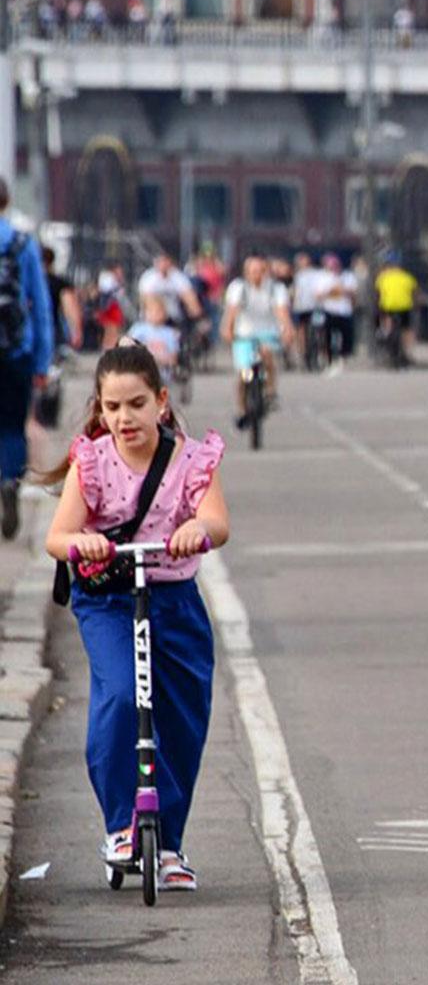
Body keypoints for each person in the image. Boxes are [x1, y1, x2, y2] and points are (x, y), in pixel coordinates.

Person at [39, 342, 229, 892]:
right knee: (123, 695)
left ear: (161, 403)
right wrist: (85, 544)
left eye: (137, 405)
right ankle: (122, 825)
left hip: (173, 598)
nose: (125, 418)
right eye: (113, 407)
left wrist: (199, 529)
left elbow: (217, 521)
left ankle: (167, 842)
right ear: (100, 409)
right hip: (110, 599)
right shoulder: (91, 462)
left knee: (182, 712)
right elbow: (56, 537)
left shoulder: (192, 459)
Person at [0, 182, 52, 541]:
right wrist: (42, 361)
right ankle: (10, 480)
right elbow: (40, 304)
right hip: (16, 350)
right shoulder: (22, 244)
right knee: (12, 425)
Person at [221, 255, 294, 428]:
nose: (257, 275)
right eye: (253, 271)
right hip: (244, 334)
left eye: (261, 271)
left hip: (268, 333)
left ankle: (270, 392)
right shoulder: (238, 288)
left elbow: (281, 312)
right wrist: (227, 330)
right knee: (242, 375)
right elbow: (231, 312)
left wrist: (287, 329)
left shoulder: (276, 289)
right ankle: (241, 410)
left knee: (267, 354)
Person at [373, 255, 419, 368]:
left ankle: (385, 333)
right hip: (405, 306)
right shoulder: (408, 277)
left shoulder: (382, 277)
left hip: (388, 307)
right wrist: (416, 305)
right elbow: (415, 293)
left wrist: (377, 304)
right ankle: (407, 351)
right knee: (406, 329)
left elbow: (377, 293)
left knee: (386, 324)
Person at [318, 254, 357, 371]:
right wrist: (332, 291)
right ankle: (328, 357)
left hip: (345, 311)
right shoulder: (323, 278)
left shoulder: (348, 276)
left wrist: (342, 290)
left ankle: (343, 357)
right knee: (327, 335)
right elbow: (318, 294)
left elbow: (353, 292)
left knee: (347, 335)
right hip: (329, 310)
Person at [127, 297, 181, 379]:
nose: (154, 314)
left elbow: (173, 358)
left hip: (162, 372)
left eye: (158, 311)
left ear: (165, 314)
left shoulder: (169, 333)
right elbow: (127, 346)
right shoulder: (138, 329)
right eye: (151, 311)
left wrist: (159, 360)